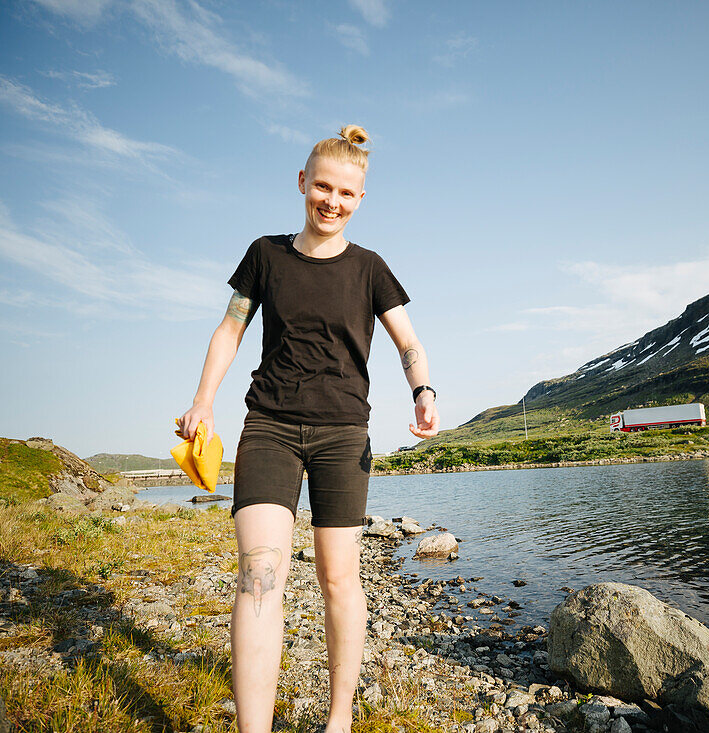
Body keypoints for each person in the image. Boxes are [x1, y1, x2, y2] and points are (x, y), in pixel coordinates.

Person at [177, 125, 439, 733]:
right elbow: (230, 329)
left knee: (338, 578)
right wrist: (203, 401)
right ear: (302, 183)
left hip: (344, 434)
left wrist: (423, 389)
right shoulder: (266, 254)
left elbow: (409, 343)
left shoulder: (371, 269)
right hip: (269, 425)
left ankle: (339, 721)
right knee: (260, 576)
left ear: (361, 200)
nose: (332, 201)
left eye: (347, 193)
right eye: (323, 186)